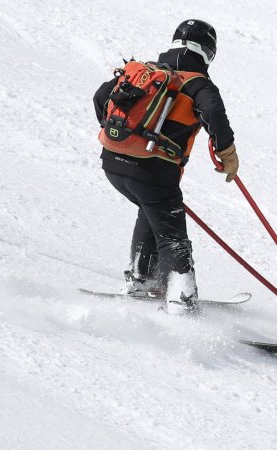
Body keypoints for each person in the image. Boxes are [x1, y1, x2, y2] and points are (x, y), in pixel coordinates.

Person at [93, 19, 239, 315]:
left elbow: (100, 96)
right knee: (172, 236)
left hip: (113, 163)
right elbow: (212, 111)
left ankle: (141, 280)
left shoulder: (146, 73)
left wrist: (123, 139)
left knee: (151, 211)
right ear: (209, 51)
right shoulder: (196, 82)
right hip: (153, 173)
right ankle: (182, 302)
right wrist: (228, 153)